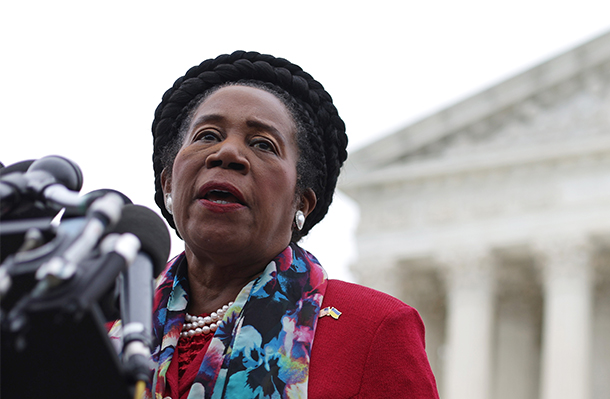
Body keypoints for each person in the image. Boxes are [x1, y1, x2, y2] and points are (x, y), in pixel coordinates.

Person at [111, 50, 439, 398]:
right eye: (207, 135)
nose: (227, 153)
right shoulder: (99, 323)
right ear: (168, 185)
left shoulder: (372, 328)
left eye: (262, 144)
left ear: (302, 203)